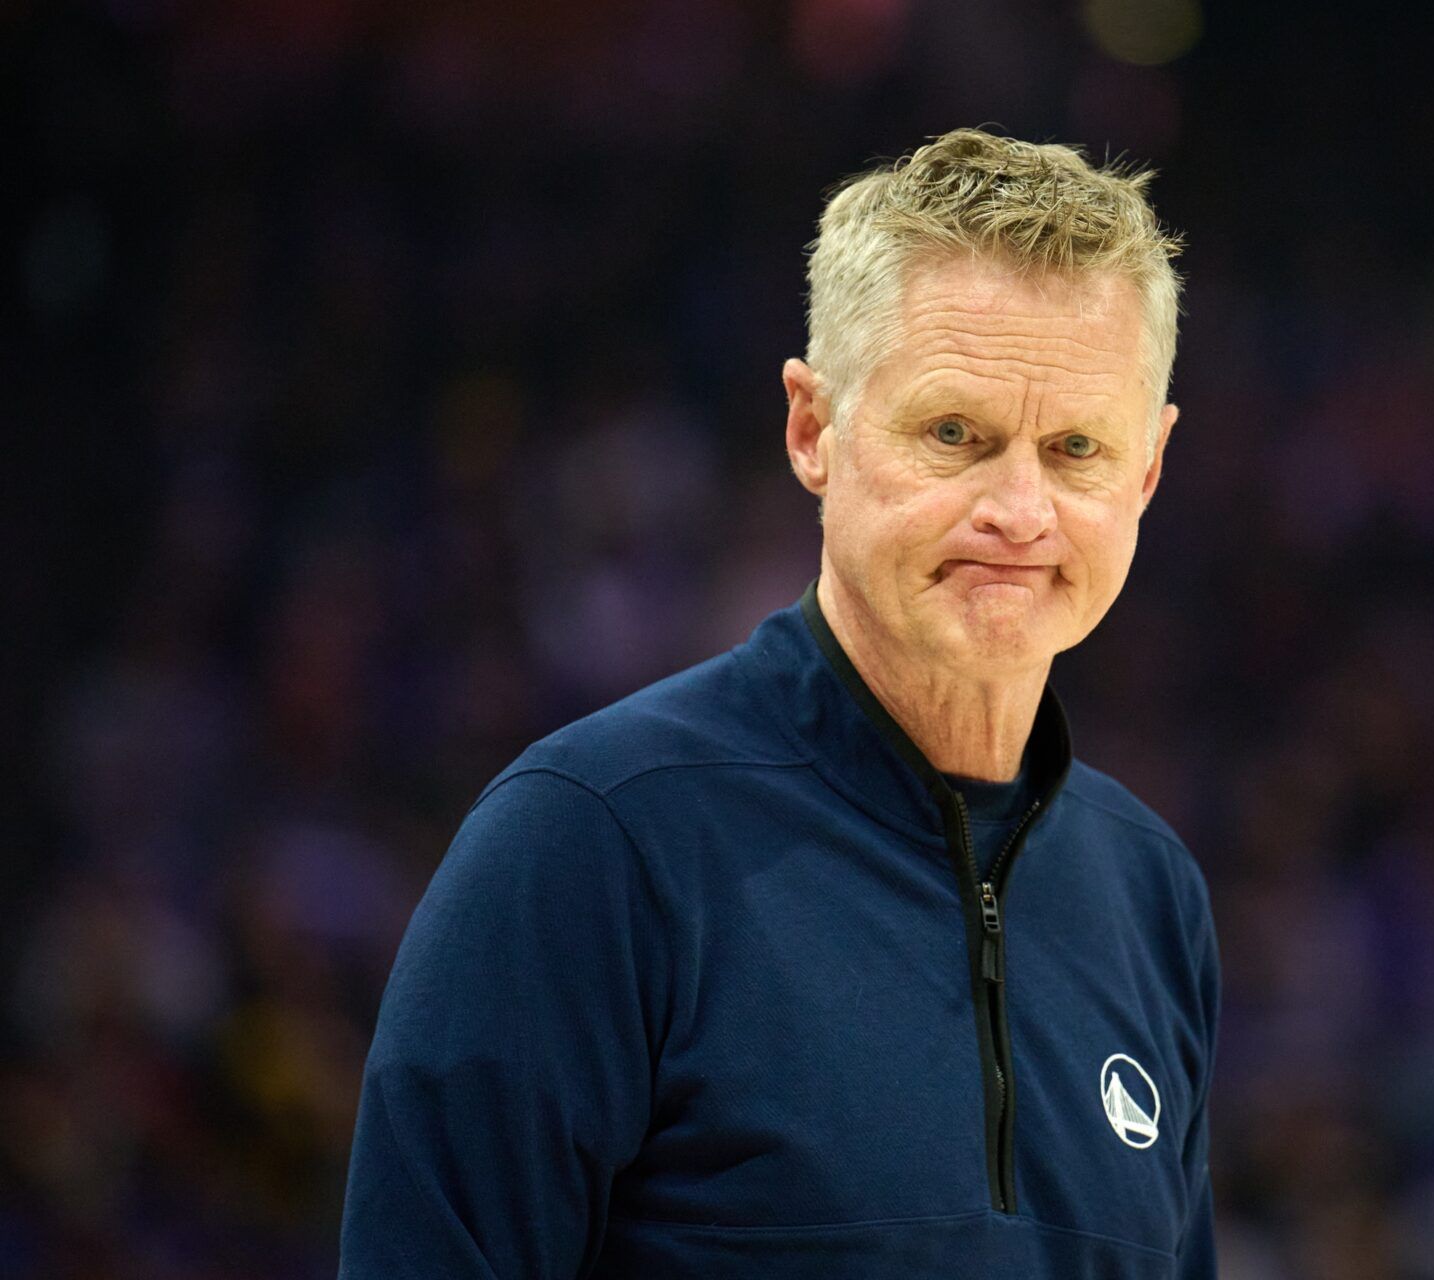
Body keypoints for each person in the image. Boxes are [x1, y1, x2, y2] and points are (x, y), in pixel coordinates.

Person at [338, 127, 1219, 1279]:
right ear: (813, 428)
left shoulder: (1152, 895)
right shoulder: (590, 840)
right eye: (955, 433)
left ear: (1147, 469)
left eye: (1076, 449)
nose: (1020, 507)